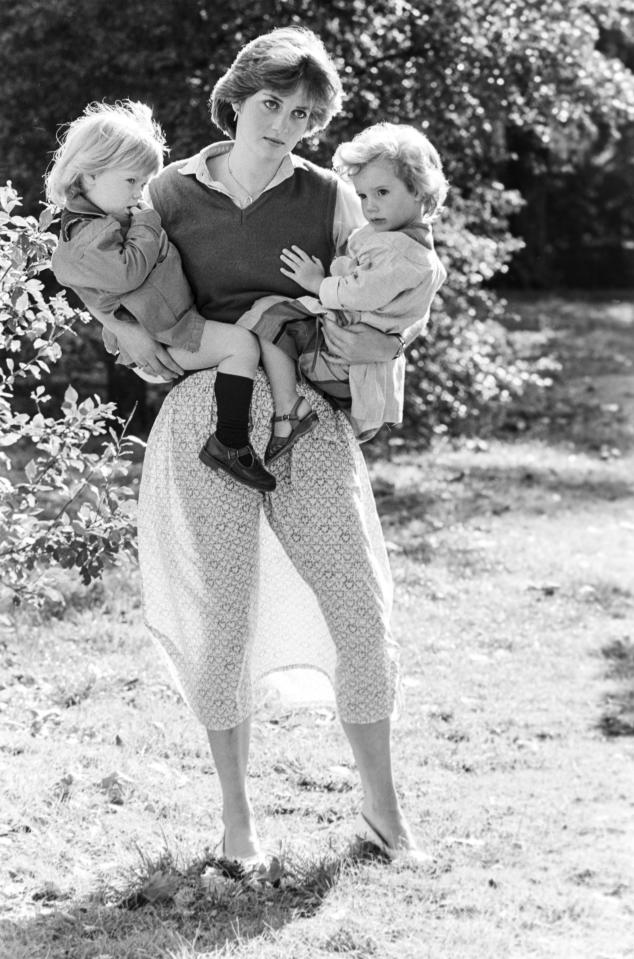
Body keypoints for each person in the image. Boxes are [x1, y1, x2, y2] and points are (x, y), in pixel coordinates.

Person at [102, 26, 430, 865]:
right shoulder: (169, 193)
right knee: (225, 619)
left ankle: (384, 815)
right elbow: (108, 274)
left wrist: (365, 357)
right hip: (202, 414)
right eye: (272, 104)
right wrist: (118, 328)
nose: (284, 123)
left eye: (304, 113)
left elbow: (391, 301)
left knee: (359, 607)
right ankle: (238, 823)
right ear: (238, 98)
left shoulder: (332, 198)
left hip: (305, 419)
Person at [46, 100, 275, 492]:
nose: (141, 193)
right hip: (166, 332)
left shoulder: (102, 218)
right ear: (90, 175)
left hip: (166, 323)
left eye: (144, 182)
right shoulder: (90, 234)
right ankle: (231, 443)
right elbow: (128, 270)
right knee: (242, 346)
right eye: (132, 181)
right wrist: (148, 222)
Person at [240, 122, 448, 445]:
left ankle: (288, 408)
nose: (370, 206)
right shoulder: (409, 245)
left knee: (267, 315)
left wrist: (317, 283)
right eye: (363, 195)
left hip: (340, 362)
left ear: (419, 190)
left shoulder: (399, 253)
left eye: (382, 192)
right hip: (355, 365)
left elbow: (358, 293)